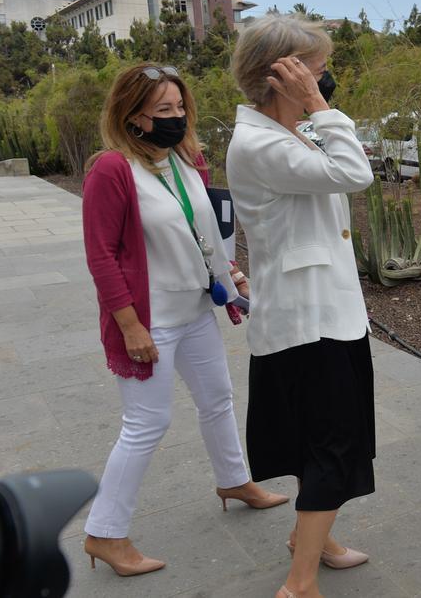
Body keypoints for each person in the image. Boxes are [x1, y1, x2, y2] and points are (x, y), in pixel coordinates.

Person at [80, 63, 288, 577]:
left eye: (179, 108)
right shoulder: (111, 169)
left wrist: (232, 274)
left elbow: (208, 230)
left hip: (195, 310)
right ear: (132, 118)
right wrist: (130, 327)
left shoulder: (185, 158)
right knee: (146, 423)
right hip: (150, 320)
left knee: (217, 400)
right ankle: (104, 533)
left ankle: (234, 480)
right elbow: (101, 255)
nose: (175, 118)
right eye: (162, 111)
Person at [226, 15, 376, 598]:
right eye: (315, 72)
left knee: (328, 438)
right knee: (332, 443)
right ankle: (300, 582)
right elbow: (353, 171)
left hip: (324, 313)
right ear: (279, 77)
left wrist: (312, 110)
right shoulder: (261, 142)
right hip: (307, 321)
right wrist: (317, 105)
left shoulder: (288, 135)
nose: (325, 80)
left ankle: (310, 539)